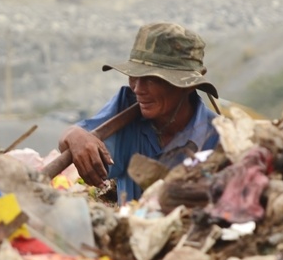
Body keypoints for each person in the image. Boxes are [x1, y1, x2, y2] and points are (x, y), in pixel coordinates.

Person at [58, 22, 220, 203]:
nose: (138, 89)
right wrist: (74, 135)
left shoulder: (219, 138)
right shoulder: (125, 107)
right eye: (134, 76)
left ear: (190, 85)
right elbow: (79, 139)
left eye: (152, 79)